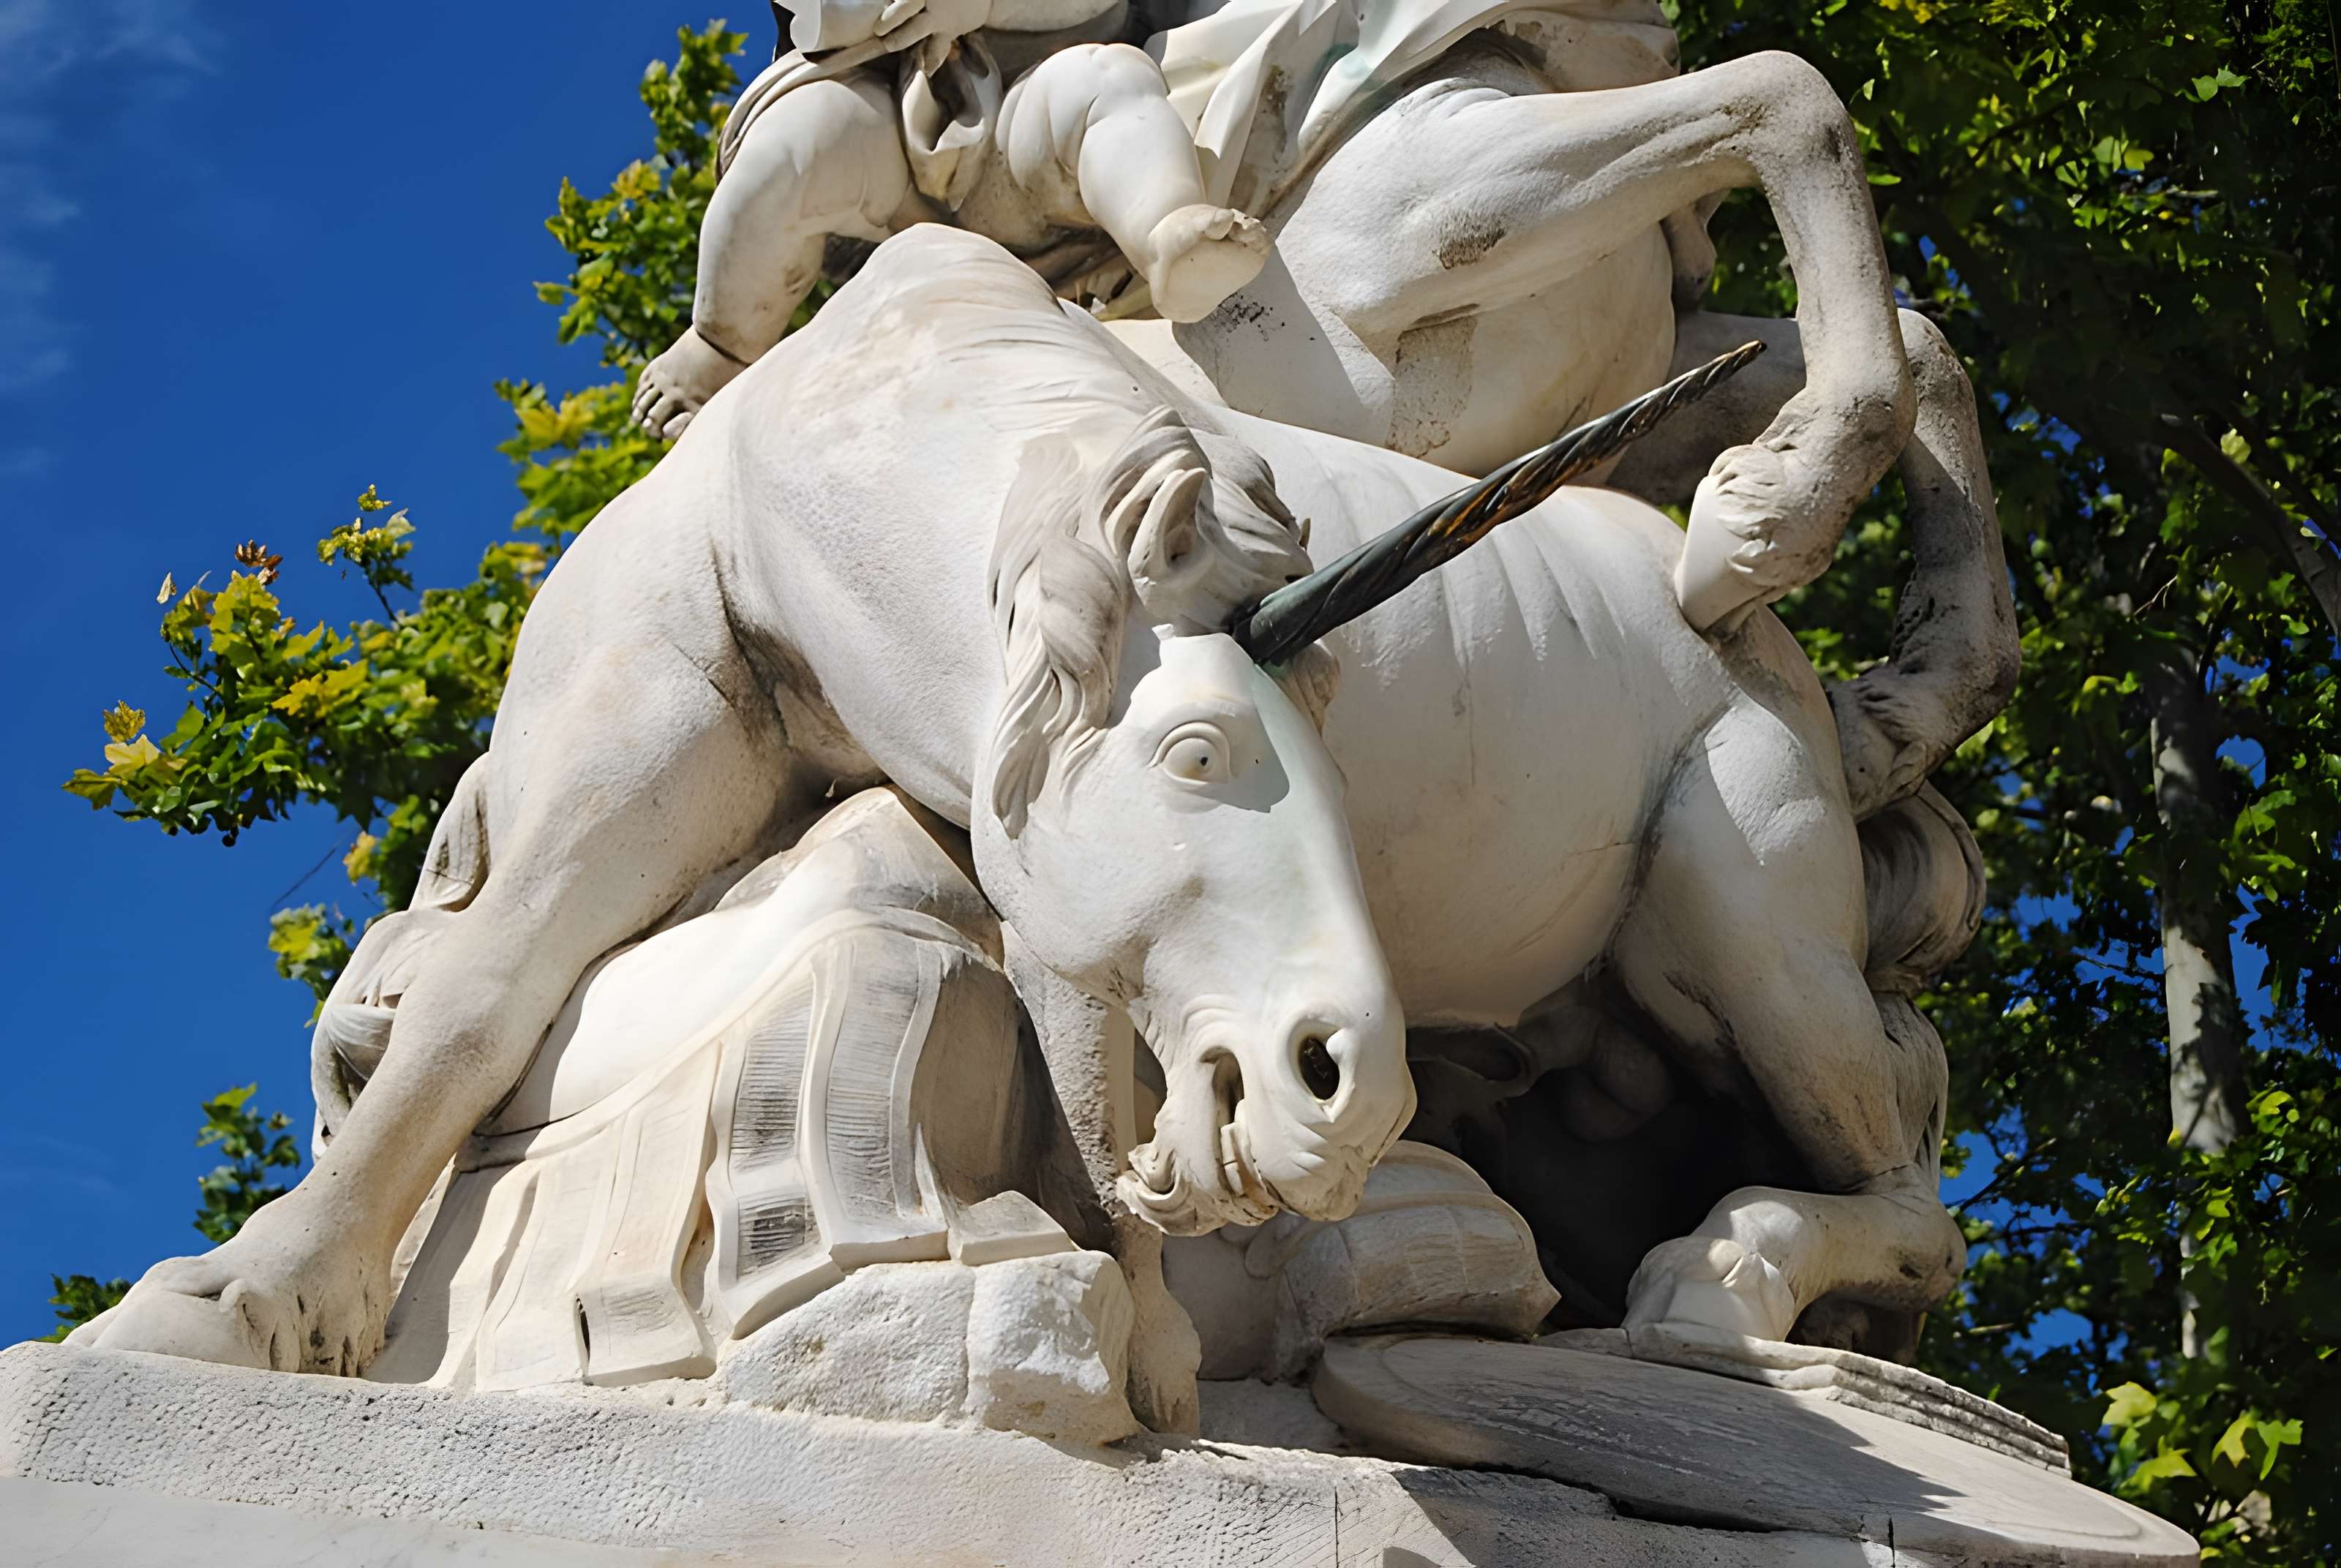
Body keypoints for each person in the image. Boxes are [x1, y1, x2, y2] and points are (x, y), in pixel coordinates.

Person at [632, 0, 1271, 437]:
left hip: (1027, 128)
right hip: (892, 155)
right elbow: (823, 23)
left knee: (1108, 82)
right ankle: (723, 342)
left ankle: (1165, 233)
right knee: (789, 152)